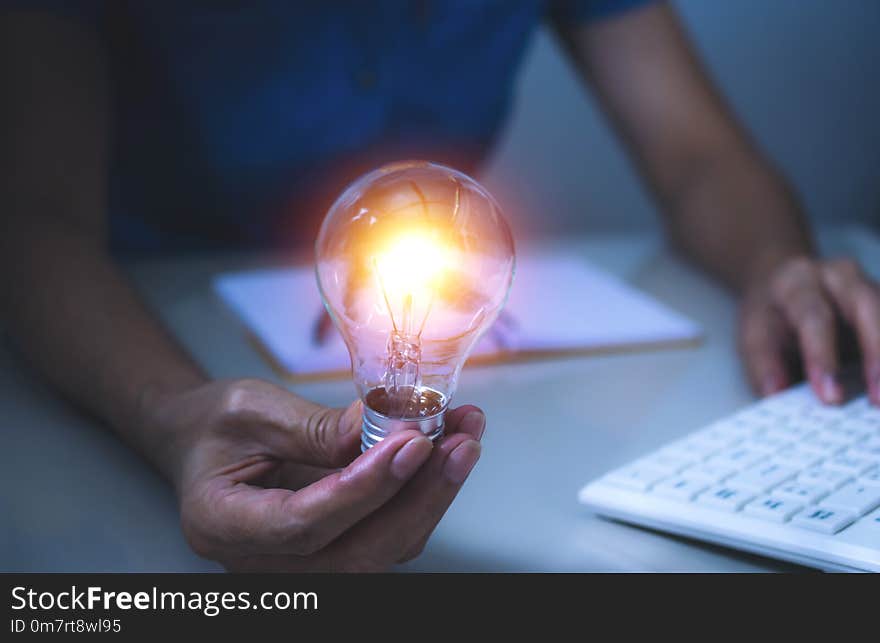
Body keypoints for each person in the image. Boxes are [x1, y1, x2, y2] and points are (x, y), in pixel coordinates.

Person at [2, 1, 878, 572]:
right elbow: (32, 221)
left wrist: (777, 262)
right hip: (134, 336)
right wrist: (172, 417)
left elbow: (699, 157)